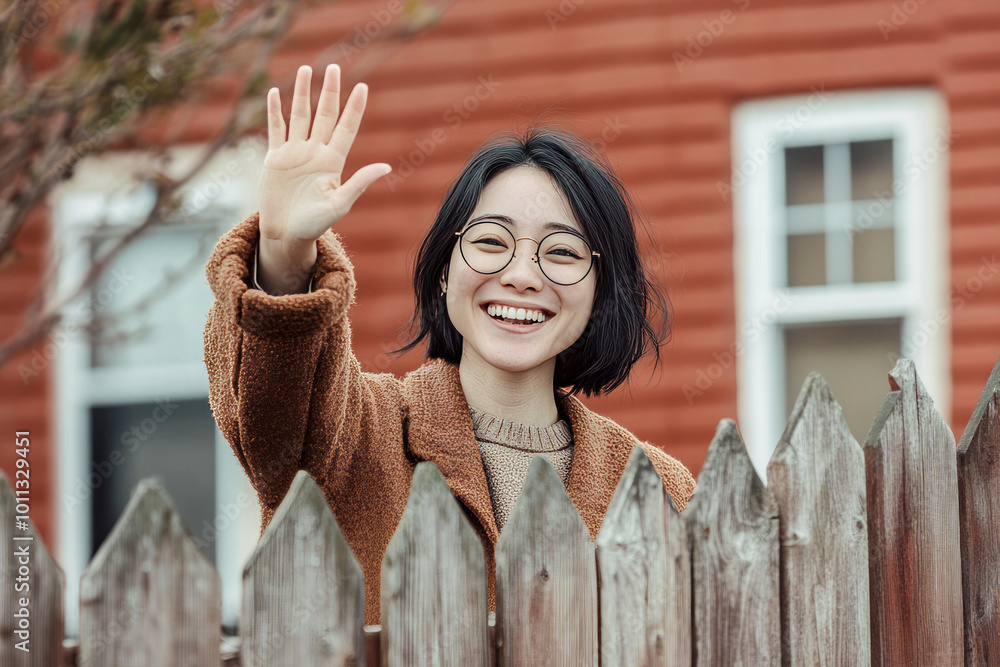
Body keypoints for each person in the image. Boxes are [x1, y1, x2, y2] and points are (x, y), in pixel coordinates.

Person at [203, 64, 696, 625]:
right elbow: (268, 421)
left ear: (599, 290)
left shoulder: (658, 487)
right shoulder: (352, 436)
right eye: (491, 241)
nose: (521, 275)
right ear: (444, 270)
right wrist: (285, 255)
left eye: (562, 252)